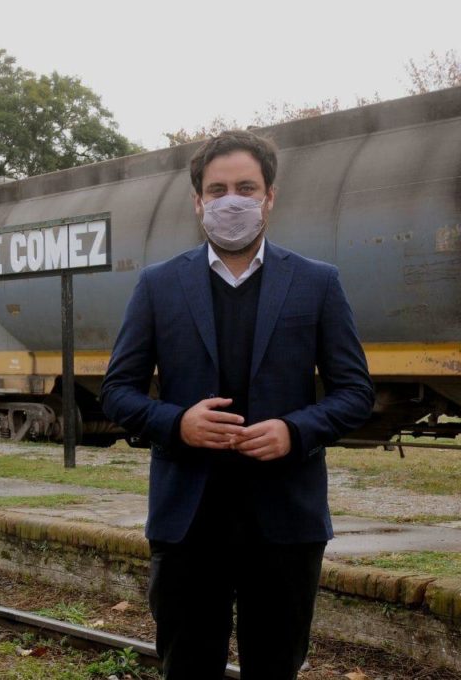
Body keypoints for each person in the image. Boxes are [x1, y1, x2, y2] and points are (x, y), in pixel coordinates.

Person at [100, 130, 374, 679]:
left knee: (274, 667)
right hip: (188, 521)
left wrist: (294, 431)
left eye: (246, 188)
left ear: (270, 196)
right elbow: (117, 391)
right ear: (197, 201)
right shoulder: (158, 285)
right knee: (187, 666)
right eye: (217, 189)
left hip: (285, 520)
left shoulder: (318, 283)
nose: (232, 201)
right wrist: (177, 423)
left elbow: (355, 393)